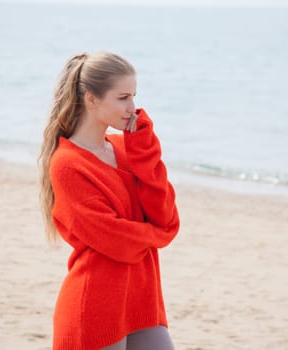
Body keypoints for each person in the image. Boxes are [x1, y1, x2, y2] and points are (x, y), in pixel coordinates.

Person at [38, 51, 180, 350]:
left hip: (142, 295)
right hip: (96, 303)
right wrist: (158, 236)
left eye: (134, 96)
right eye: (123, 97)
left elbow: (165, 216)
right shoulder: (67, 164)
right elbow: (116, 239)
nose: (133, 108)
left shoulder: (125, 149)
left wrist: (142, 146)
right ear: (91, 99)